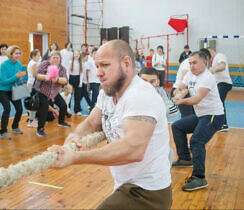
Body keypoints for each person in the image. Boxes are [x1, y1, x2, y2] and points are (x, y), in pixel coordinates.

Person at [48, 40, 172, 209]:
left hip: (147, 191)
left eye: (105, 65)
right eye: (97, 66)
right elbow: (92, 122)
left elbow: (133, 149)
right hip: (124, 185)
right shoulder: (108, 92)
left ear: (126, 63)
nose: (98, 73)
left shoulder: (141, 95)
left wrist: (75, 157)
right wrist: (74, 138)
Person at [171, 51, 224, 191]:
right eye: (190, 63)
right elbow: (181, 86)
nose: (192, 66)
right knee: (177, 126)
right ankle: (185, 158)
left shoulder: (207, 77)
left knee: (196, 141)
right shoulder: (190, 74)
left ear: (204, 62)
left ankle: (199, 178)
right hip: (201, 115)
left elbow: (197, 98)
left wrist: (180, 101)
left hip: (213, 115)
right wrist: (178, 91)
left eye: (194, 63)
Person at [33, 51, 70, 137]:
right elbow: (37, 76)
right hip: (42, 91)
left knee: (63, 105)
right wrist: (49, 77)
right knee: (44, 108)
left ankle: (61, 122)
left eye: (58, 58)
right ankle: (40, 129)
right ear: (50, 58)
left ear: (60, 59)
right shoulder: (44, 64)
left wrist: (56, 79)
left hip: (54, 92)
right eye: (54, 57)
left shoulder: (62, 68)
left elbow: (65, 80)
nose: (56, 59)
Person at [0, 45, 25, 139]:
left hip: (13, 89)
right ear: (11, 54)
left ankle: (15, 127)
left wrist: (20, 77)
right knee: (7, 108)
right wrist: (16, 76)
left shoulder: (19, 64)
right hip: (1, 89)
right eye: (16, 53)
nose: (18, 55)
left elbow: (16, 78)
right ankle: (2, 132)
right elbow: (4, 81)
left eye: (19, 53)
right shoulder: (4, 65)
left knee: (19, 109)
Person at [208, 47, 233, 132]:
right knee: (218, 102)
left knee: (219, 103)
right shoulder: (214, 60)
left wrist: (214, 69)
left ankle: (223, 124)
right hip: (220, 84)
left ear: (211, 51)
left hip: (224, 83)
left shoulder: (219, 56)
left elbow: (222, 66)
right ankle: (220, 123)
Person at [26, 49, 41, 127]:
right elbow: (35, 75)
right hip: (33, 85)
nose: (39, 57)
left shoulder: (30, 62)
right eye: (38, 55)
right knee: (34, 103)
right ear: (34, 56)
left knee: (31, 102)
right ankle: (31, 121)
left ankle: (31, 119)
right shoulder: (34, 63)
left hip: (29, 84)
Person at [68, 50, 83, 115]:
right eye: (75, 54)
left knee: (77, 96)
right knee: (69, 95)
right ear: (73, 55)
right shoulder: (70, 62)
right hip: (71, 78)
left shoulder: (81, 63)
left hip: (78, 79)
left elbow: (82, 73)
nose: (76, 55)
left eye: (78, 54)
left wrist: (81, 82)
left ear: (79, 55)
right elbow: (68, 72)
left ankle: (77, 110)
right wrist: (68, 81)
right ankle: (67, 109)